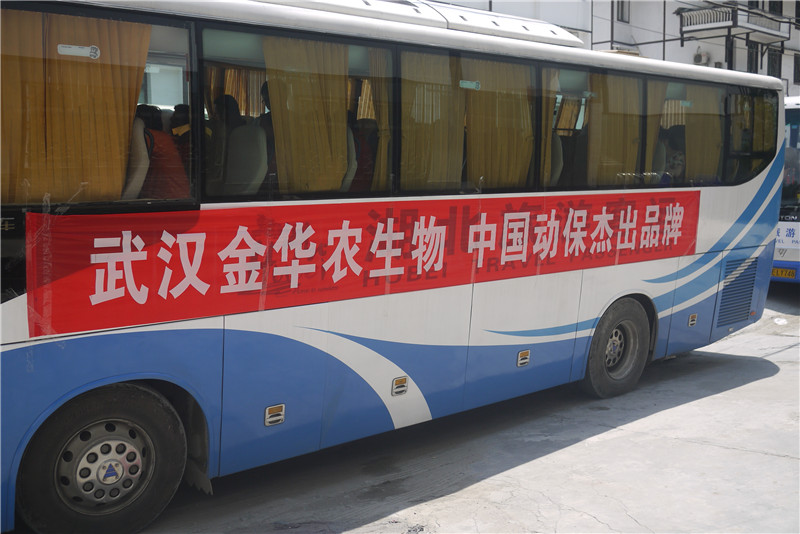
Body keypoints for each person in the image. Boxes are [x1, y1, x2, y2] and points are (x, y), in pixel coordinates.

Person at [135, 104, 190, 199]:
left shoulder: (152, 137)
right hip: (170, 196)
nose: (171, 119)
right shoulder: (164, 138)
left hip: (167, 198)